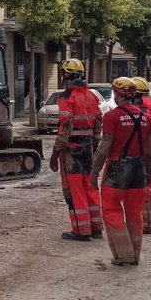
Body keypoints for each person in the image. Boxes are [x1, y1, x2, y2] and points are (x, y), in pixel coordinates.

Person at [89, 77, 151, 266]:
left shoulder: (112, 116)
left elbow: (104, 148)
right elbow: (150, 151)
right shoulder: (146, 117)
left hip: (118, 168)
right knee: (134, 213)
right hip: (139, 169)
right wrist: (148, 175)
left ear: (117, 94)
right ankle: (135, 254)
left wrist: (94, 173)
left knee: (111, 210)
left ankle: (123, 253)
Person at [50, 58, 104, 241]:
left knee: (75, 190)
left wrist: (56, 151)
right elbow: (98, 122)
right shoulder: (91, 96)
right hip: (88, 148)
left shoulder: (67, 97)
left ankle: (81, 230)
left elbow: (66, 125)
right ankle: (96, 227)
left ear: (66, 76)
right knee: (90, 186)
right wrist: (94, 145)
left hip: (72, 149)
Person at [131, 76, 151, 234]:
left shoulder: (141, 112)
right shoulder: (148, 110)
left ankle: (147, 223)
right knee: (147, 186)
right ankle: (147, 221)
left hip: (142, 153)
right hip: (149, 152)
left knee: (143, 188)